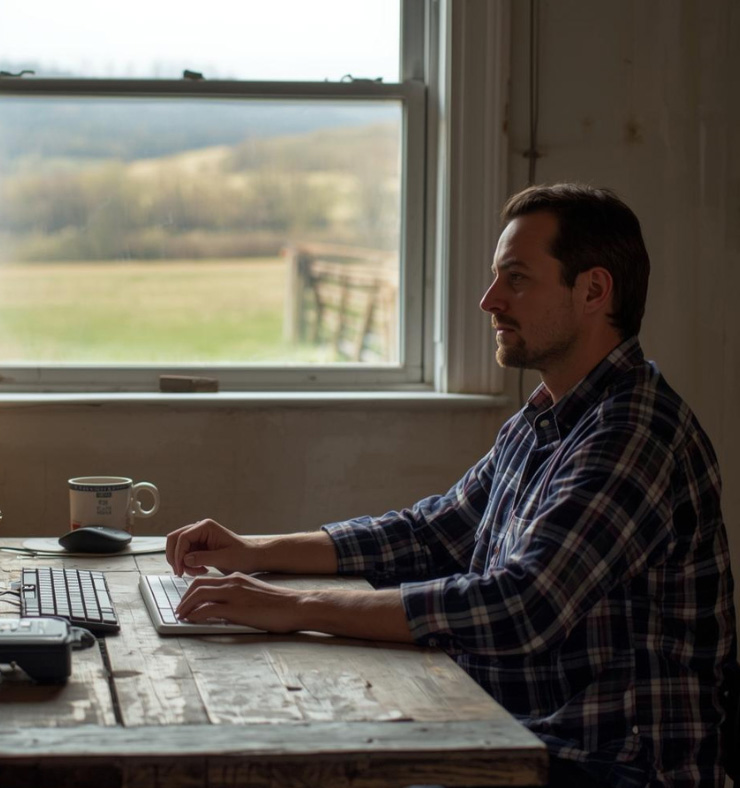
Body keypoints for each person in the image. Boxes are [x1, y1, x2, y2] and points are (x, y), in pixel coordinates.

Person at [165, 183, 737, 787]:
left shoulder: (634, 435)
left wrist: (296, 607)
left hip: (609, 769)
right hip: (519, 738)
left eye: (516, 279)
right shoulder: (545, 418)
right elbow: (432, 534)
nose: (489, 300)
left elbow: (521, 605)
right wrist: (259, 551)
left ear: (594, 290)